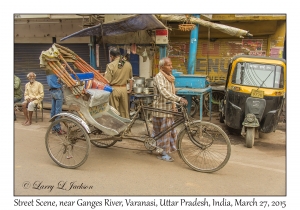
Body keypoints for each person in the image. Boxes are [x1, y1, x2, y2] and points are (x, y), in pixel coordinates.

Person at [152, 57, 188, 162]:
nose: (171, 67)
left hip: (169, 108)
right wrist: (178, 99)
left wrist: (174, 104)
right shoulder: (159, 77)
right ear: (162, 67)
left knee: (168, 131)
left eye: (171, 65)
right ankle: (163, 153)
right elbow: (163, 92)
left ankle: (158, 147)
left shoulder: (170, 77)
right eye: (169, 65)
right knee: (164, 132)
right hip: (161, 108)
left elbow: (171, 91)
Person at [104, 48, 133, 118]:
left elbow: (107, 81)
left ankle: (116, 127)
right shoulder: (128, 64)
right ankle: (126, 128)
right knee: (124, 110)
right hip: (124, 89)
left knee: (114, 111)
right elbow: (131, 78)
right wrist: (130, 89)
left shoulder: (111, 65)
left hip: (114, 90)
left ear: (112, 56)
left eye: (110, 56)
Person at [46, 69, 65, 134]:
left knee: (53, 111)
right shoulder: (56, 70)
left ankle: (53, 128)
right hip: (57, 91)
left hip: (52, 91)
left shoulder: (48, 71)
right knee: (58, 111)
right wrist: (62, 70)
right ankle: (58, 128)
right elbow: (62, 79)